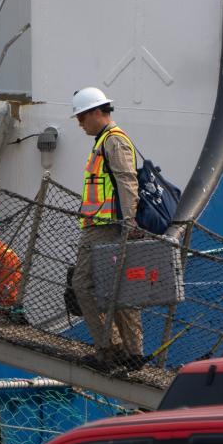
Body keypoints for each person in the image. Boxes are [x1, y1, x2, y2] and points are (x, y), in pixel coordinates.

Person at [70, 86, 145, 369]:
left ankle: (110, 348)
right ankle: (130, 352)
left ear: (97, 112)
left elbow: (128, 181)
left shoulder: (113, 141)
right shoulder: (106, 140)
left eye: (81, 117)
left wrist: (129, 223)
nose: (79, 123)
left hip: (105, 227)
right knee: (120, 288)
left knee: (83, 285)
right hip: (107, 225)